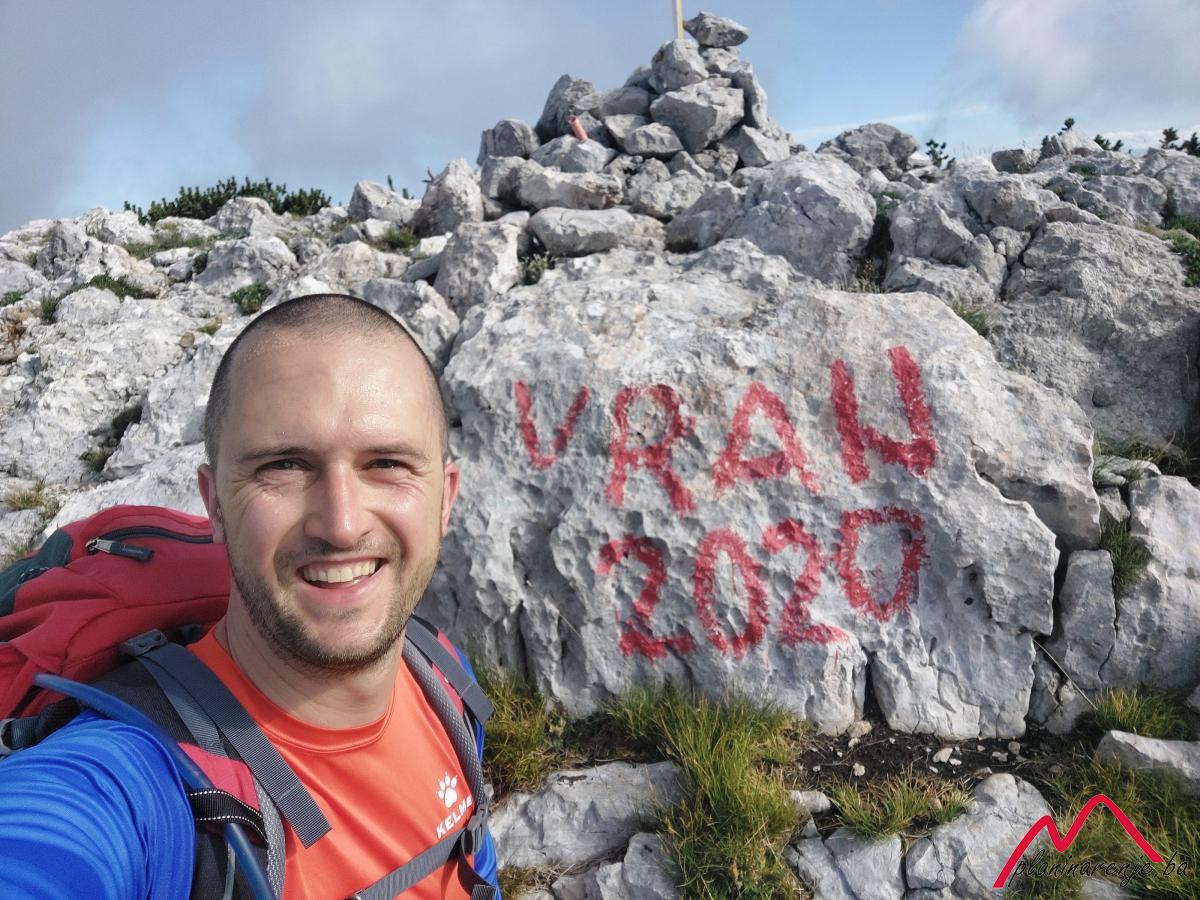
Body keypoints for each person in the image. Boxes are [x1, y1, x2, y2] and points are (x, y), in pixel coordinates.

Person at [0, 293, 499, 899]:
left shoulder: (441, 677)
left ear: (445, 497)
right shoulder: (139, 785)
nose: (342, 525)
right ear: (215, 504)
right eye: (284, 465)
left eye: (387, 463)